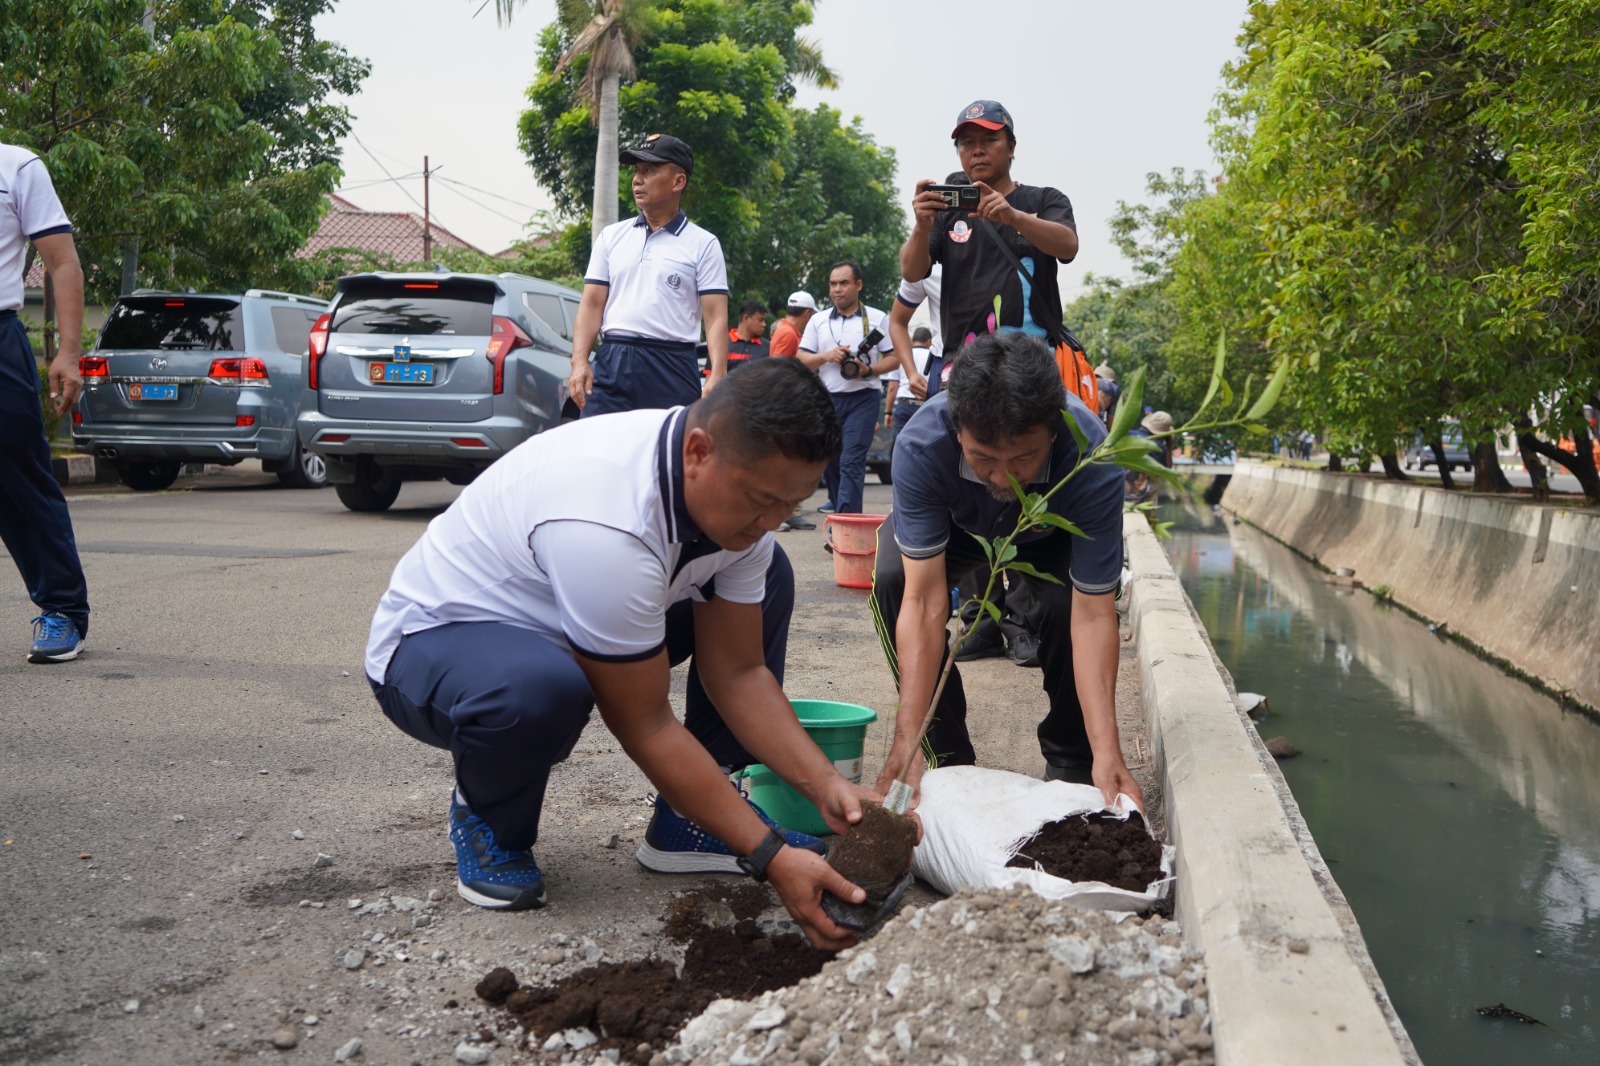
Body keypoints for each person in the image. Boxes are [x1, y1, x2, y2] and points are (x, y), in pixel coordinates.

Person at [366, 359, 880, 949]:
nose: (769, 523)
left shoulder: (735, 502)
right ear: (697, 451)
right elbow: (646, 724)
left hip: (571, 618)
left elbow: (737, 672)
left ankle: (688, 822)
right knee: (539, 690)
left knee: (771, 578)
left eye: (787, 507)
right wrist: (770, 855)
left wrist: (824, 786)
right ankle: (490, 816)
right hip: (438, 644)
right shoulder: (607, 518)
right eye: (761, 501)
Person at [869, 332, 1142, 808]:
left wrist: (1110, 751)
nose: (1002, 478)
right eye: (982, 459)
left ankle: (1074, 755)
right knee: (894, 582)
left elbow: (1095, 614)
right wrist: (904, 741)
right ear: (958, 431)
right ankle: (943, 757)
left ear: (1053, 433)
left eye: (1023, 459)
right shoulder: (921, 446)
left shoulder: (1091, 460)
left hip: (1049, 532)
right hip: (958, 528)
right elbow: (925, 601)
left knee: (1063, 605)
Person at [900, 100, 1079, 362]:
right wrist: (921, 227)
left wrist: (1014, 217)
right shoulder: (945, 212)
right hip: (964, 365)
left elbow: (1068, 246)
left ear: (1011, 147)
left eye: (990, 139)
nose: (978, 150)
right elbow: (911, 271)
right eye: (967, 143)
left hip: (1034, 364)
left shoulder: (1045, 200)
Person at [1, 142, 90, 663]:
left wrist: (68, 352)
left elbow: (61, 261)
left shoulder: (17, 166)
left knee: (20, 481)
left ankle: (63, 610)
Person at [568, 134, 729, 417]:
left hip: (672, 367)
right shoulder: (611, 237)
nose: (637, 180)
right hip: (612, 360)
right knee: (598, 450)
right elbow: (592, 304)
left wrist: (717, 374)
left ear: (678, 181)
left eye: (649, 171)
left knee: (666, 457)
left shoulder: (703, 244)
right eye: (636, 171)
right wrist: (579, 362)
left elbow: (715, 316)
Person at [797, 261, 898, 516]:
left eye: (844, 283)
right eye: (833, 284)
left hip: (863, 399)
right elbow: (801, 358)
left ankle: (845, 524)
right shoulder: (818, 321)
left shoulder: (877, 318)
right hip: (827, 400)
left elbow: (894, 357)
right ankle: (842, 516)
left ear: (858, 285)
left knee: (851, 461)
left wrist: (869, 370)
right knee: (830, 462)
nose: (837, 289)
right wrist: (826, 356)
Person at [883, 327, 935, 431]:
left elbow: (892, 388)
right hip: (925, 406)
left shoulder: (901, 357)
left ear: (912, 340)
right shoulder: (934, 357)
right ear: (929, 341)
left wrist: (888, 412)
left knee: (902, 443)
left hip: (904, 405)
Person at [768, 292, 816, 359]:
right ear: (807, 313)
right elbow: (778, 367)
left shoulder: (786, 330)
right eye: (812, 314)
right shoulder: (788, 333)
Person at [726, 299, 768, 372]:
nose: (764, 324)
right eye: (760, 320)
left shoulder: (768, 347)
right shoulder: (723, 345)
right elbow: (712, 378)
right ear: (746, 318)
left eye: (764, 321)